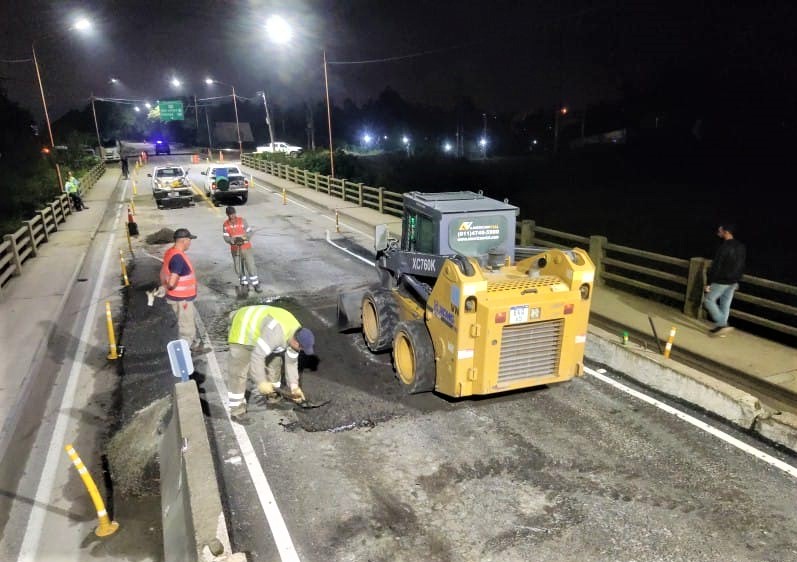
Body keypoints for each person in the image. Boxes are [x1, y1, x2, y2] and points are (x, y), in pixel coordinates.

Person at [226, 305, 315, 419]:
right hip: (244, 329)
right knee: (238, 373)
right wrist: (261, 382)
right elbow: (257, 357)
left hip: (266, 333)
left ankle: (273, 397)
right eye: (301, 348)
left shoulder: (297, 334)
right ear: (296, 342)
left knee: (275, 364)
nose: (301, 351)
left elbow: (291, 363)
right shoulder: (276, 333)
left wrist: (294, 386)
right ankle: (237, 410)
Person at [160, 228, 205, 353]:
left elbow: (163, 271)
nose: (190, 243)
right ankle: (183, 357)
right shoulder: (178, 258)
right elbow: (173, 281)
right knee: (186, 328)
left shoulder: (170, 252)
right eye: (189, 240)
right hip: (182, 300)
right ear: (184, 241)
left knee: (191, 319)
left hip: (178, 297)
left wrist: (164, 286)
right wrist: (169, 287)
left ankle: (194, 345)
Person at [704, 223, 746, 337]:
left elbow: (717, 265)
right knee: (725, 304)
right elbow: (741, 265)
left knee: (708, 300)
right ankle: (721, 330)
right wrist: (737, 280)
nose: (718, 232)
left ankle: (722, 324)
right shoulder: (741, 246)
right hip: (733, 281)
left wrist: (709, 282)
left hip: (722, 280)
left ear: (726, 232)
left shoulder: (724, 247)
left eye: (720, 230)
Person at [222, 206, 262, 294]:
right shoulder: (225, 224)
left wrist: (245, 238)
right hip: (235, 249)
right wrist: (231, 240)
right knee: (238, 268)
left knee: (251, 266)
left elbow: (250, 232)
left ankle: (256, 284)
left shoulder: (242, 221)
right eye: (230, 214)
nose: (232, 216)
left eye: (233, 214)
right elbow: (225, 236)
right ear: (227, 215)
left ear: (235, 213)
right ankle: (244, 283)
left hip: (246, 247)